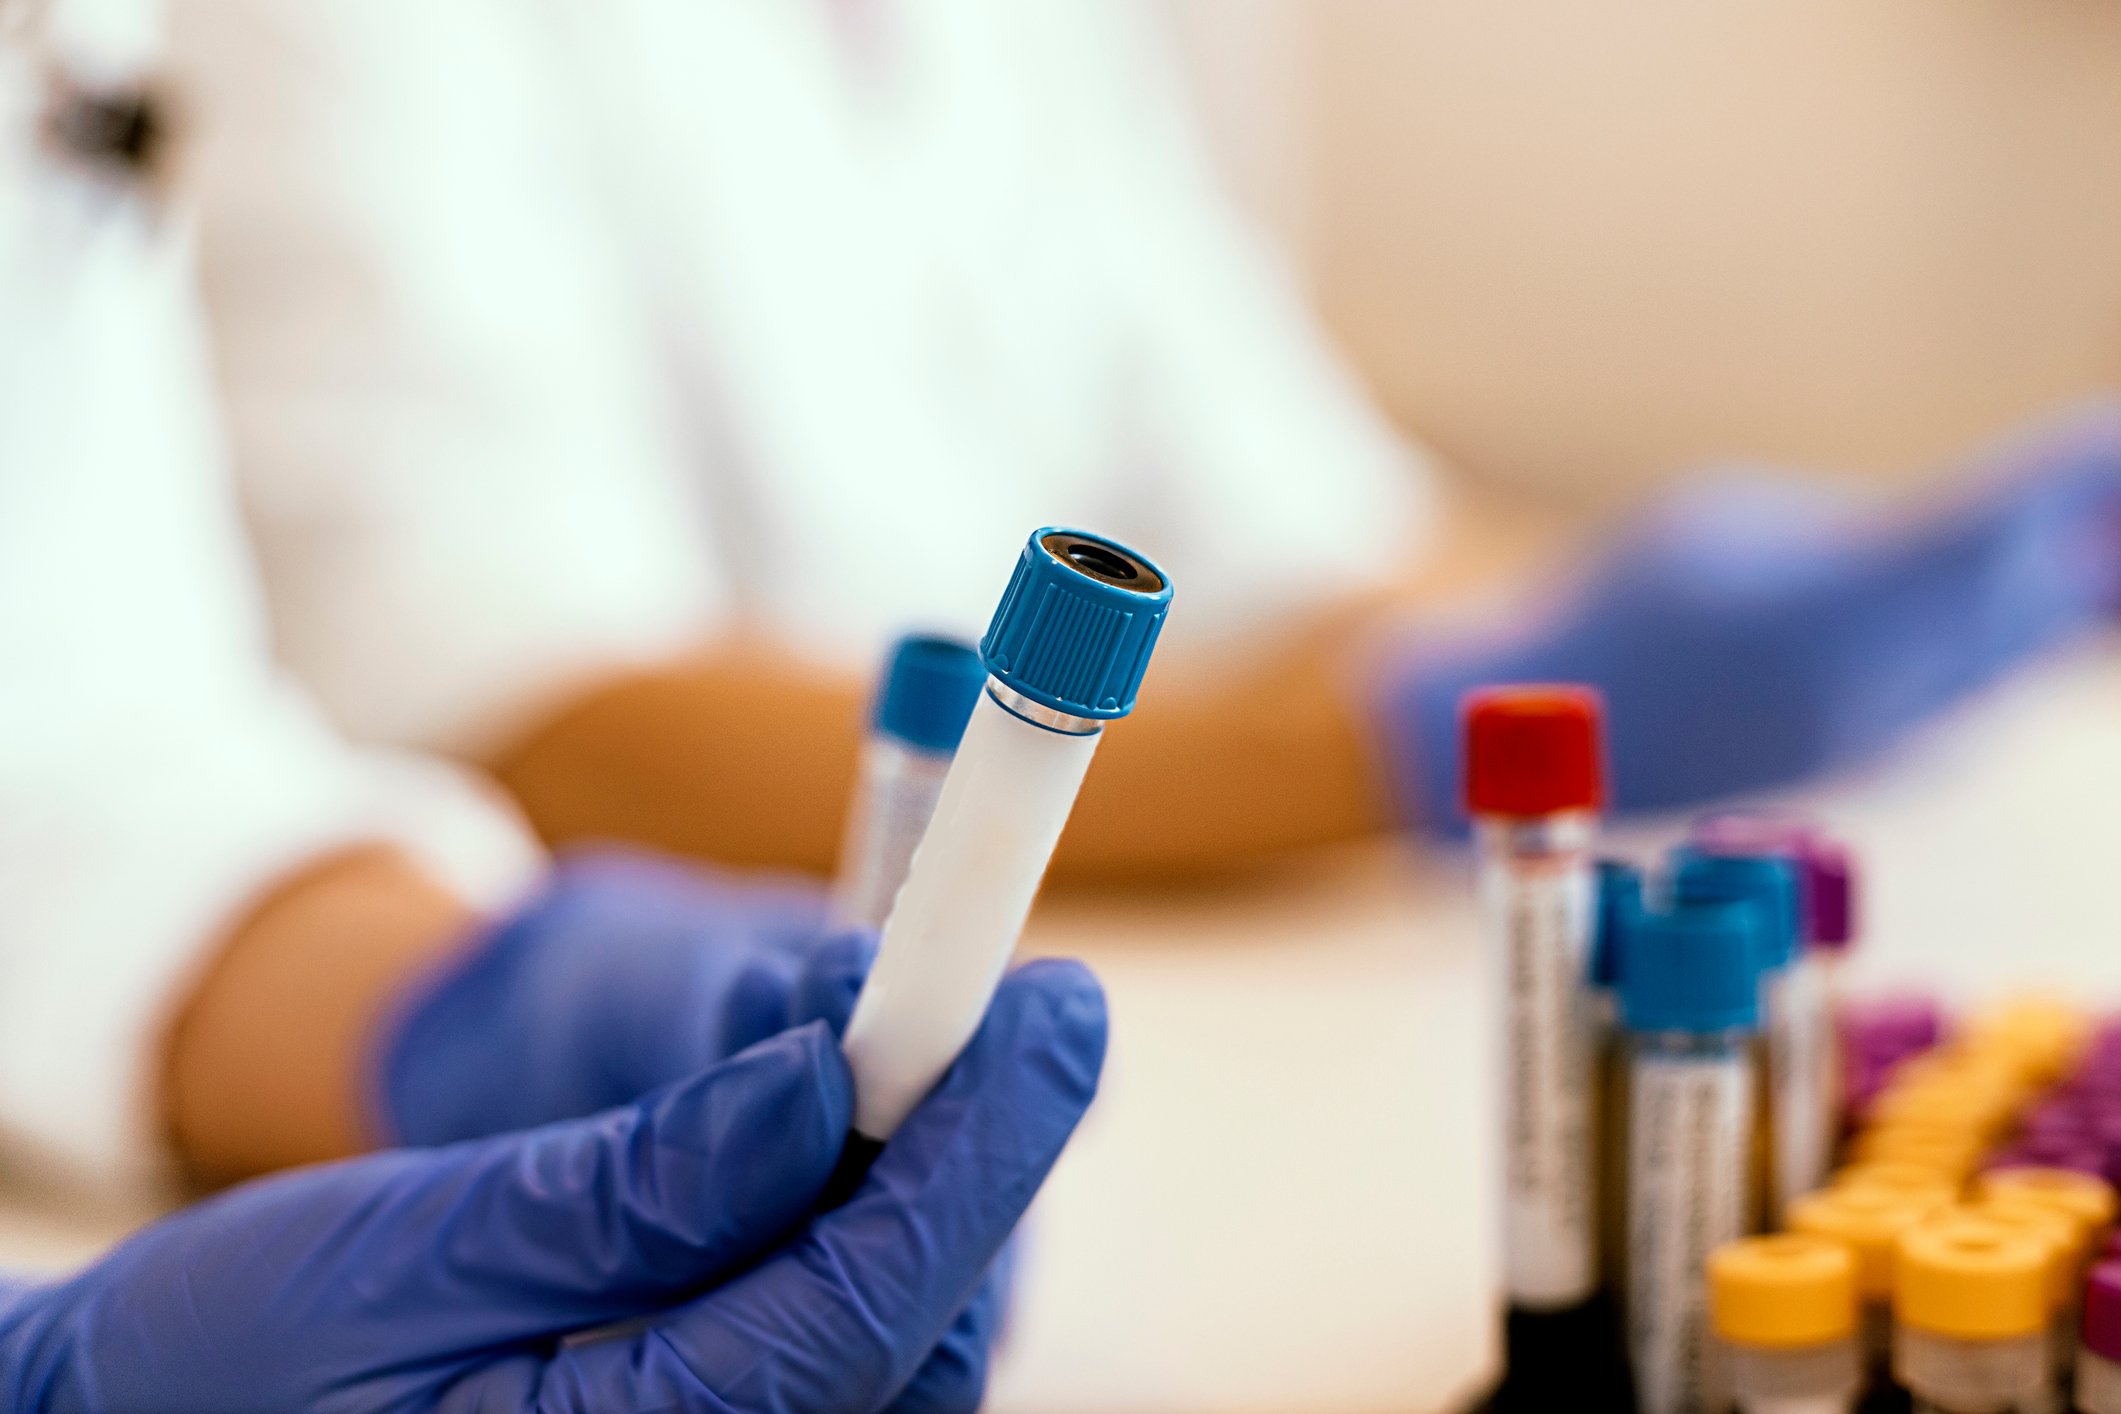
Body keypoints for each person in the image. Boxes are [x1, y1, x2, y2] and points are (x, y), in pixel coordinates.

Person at [157, 0, 2121, 890]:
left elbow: (1300, 539)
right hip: (687, 1026)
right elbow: (523, 710)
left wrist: (1628, 625)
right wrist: (1391, 755)